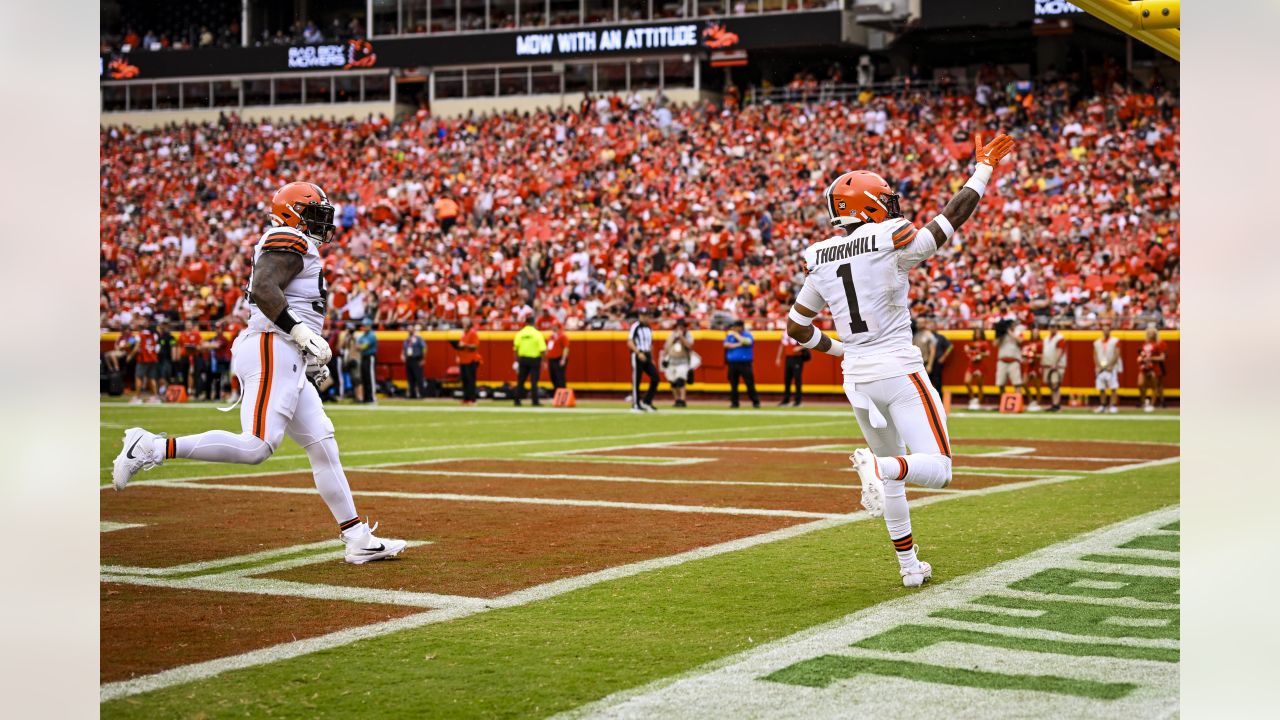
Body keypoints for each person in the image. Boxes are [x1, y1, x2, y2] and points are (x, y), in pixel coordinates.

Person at [111, 181, 406, 565]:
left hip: (285, 350)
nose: (320, 223)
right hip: (272, 345)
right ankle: (149, 446)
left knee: (322, 444)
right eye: (313, 213)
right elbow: (263, 288)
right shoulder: (287, 236)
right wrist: (299, 332)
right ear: (291, 213)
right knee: (256, 446)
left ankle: (356, 537)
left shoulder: (297, 243)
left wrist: (305, 345)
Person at [786, 133, 1016, 588]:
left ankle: (910, 568)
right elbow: (951, 218)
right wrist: (984, 169)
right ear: (869, 205)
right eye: (885, 199)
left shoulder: (819, 258)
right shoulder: (890, 239)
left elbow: (795, 328)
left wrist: (839, 349)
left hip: (857, 380)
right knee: (937, 469)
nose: (892, 205)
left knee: (894, 480)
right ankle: (878, 467)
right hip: (897, 369)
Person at [627, 309, 659, 412]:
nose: (645, 318)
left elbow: (651, 344)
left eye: (647, 316)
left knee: (655, 377)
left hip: (647, 354)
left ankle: (646, 401)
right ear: (639, 316)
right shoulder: (635, 326)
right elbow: (629, 341)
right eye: (643, 316)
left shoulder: (649, 328)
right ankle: (635, 404)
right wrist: (638, 352)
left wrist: (652, 358)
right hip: (638, 354)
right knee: (637, 380)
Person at [660, 318, 697, 407]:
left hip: (682, 361)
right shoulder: (672, 335)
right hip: (672, 361)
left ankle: (682, 400)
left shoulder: (688, 335)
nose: (680, 329)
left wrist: (681, 337)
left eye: (681, 327)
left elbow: (690, 347)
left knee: (681, 380)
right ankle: (677, 400)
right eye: (678, 327)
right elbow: (666, 349)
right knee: (672, 382)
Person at [724, 319, 760, 409]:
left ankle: (755, 401)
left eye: (736, 327)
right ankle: (734, 402)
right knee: (733, 384)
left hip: (745, 363)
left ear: (741, 327)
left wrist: (736, 336)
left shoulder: (747, 335)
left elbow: (748, 342)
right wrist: (739, 344)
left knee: (749, 383)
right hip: (732, 363)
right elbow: (726, 345)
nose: (734, 329)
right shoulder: (730, 336)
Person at [512, 319, 546, 406]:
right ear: (533, 323)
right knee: (534, 381)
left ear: (526, 323)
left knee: (520, 381)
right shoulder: (537, 334)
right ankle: (535, 401)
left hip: (523, 359)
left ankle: (517, 400)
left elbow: (516, 349)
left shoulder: (520, 334)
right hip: (534, 359)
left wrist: (516, 361)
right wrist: (544, 361)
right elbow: (542, 350)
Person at [1093, 320, 1123, 414]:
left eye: (1107, 329)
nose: (1106, 331)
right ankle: (1103, 405)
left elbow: (1117, 354)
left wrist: (1111, 365)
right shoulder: (1097, 342)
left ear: (1110, 330)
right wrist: (1098, 366)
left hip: (1111, 367)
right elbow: (1095, 355)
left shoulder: (1115, 341)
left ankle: (1113, 405)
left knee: (1113, 387)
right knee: (1101, 387)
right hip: (1101, 367)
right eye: (1104, 330)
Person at [1137, 324, 1167, 412]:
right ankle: (1143, 401)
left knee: (1155, 386)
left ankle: (1153, 404)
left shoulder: (1159, 344)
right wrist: (1141, 358)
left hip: (1155, 366)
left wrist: (1151, 358)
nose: (1150, 333)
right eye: (1149, 332)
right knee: (1140, 384)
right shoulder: (1145, 344)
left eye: (1152, 332)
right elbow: (1141, 354)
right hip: (1144, 367)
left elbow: (1162, 357)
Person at [776, 321, 807, 406]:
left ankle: (798, 400)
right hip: (788, 357)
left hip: (797, 358)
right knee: (787, 379)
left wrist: (799, 348)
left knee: (797, 379)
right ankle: (786, 399)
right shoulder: (786, 332)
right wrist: (778, 357)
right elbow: (782, 345)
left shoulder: (799, 332)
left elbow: (808, 343)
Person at [993, 317, 1024, 402]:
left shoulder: (1018, 332)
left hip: (1014, 361)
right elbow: (994, 344)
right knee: (1000, 383)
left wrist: (1009, 332)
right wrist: (1000, 334)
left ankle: (1018, 402)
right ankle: (1003, 402)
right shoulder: (1001, 334)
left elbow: (1020, 341)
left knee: (1017, 384)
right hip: (1002, 361)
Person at [131, 319, 161, 404]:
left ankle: (137, 397)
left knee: (138, 377)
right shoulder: (154, 335)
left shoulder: (140, 335)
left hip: (143, 359)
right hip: (153, 358)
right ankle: (155, 397)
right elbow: (157, 349)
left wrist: (130, 356)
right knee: (152, 378)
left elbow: (136, 347)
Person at [1041, 321, 1067, 411]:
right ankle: (1054, 403)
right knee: (1050, 384)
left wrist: (1055, 363)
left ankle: (1057, 404)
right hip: (1047, 365)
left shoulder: (1060, 338)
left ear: (1057, 328)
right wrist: (1042, 364)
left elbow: (1060, 351)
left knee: (1055, 384)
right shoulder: (1046, 339)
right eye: (1051, 326)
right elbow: (1044, 352)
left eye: (1054, 326)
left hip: (1056, 365)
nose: (1052, 328)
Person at [963, 322, 990, 410]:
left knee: (979, 385)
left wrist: (979, 353)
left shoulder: (985, 343)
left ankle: (979, 401)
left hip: (980, 365)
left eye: (979, 333)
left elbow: (988, 354)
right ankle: (972, 398)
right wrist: (967, 350)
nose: (978, 334)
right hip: (971, 365)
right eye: (976, 333)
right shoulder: (971, 343)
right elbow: (968, 352)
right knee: (967, 381)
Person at [457, 317, 481, 405]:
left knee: (471, 380)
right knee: (464, 380)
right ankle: (466, 398)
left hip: (471, 359)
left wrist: (465, 345)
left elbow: (475, 346)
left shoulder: (472, 333)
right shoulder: (464, 334)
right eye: (462, 323)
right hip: (463, 360)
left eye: (465, 323)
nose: (463, 325)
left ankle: (472, 399)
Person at [1022, 325, 1044, 411]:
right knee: (1024, 383)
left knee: (1037, 385)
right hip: (1028, 366)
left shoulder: (1041, 343)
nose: (1035, 334)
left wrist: (1034, 356)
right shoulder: (1028, 344)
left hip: (1037, 365)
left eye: (1036, 333)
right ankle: (1031, 400)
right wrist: (1026, 358)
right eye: (1034, 333)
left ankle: (1038, 403)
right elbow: (1024, 355)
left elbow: (1043, 354)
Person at [401, 323, 426, 399]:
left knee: (418, 377)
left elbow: (424, 348)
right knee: (410, 378)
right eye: (408, 328)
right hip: (409, 359)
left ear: (413, 330)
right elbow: (404, 349)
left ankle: (421, 394)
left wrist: (423, 358)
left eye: (411, 328)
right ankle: (412, 394)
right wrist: (402, 355)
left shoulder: (418, 338)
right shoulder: (407, 339)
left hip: (417, 359)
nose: (409, 330)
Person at [357, 320, 378, 404]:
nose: (364, 327)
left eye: (365, 326)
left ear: (369, 326)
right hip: (364, 357)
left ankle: (372, 397)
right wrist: (360, 346)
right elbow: (358, 346)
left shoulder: (371, 335)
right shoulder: (363, 336)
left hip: (370, 357)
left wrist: (360, 346)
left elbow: (363, 347)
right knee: (364, 377)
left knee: (370, 377)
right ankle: (366, 397)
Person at [929, 321, 953, 394]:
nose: (931, 327)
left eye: (933, 326)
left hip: (937, 362)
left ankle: (940, 400)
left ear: (936, 327)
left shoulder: (940, 337)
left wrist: (944, 357)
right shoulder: (927, 337)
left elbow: (950, 346)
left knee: (937, 381)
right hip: (927, 362)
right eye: (930, 326)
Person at [546, 321, 570, 390]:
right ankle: (557, 392)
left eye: (554, 325)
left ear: (558, 327)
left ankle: (563, 392)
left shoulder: (562, 336)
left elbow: (566, 348)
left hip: (559, 359)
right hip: (551, 359)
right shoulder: (551, 337)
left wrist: (563, 359)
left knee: (560, 377)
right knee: (553, 376)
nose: (553, 327)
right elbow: (548, 348)